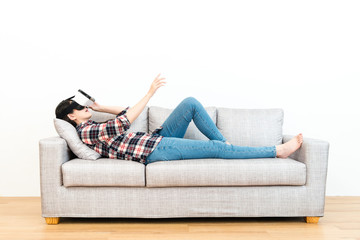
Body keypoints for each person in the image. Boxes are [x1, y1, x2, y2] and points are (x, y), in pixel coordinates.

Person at [55, 73, 303, 165]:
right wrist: (150, 92)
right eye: (80, 106)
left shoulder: (94, 126)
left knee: (190, 103)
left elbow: (122, 113)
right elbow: (125, 121)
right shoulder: (86, 132)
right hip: (156, 150)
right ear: (71, 115)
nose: (85, 106)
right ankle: (275, 151)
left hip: (156, 139)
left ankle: (226, 147)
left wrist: (101, 106)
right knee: (215, 149)